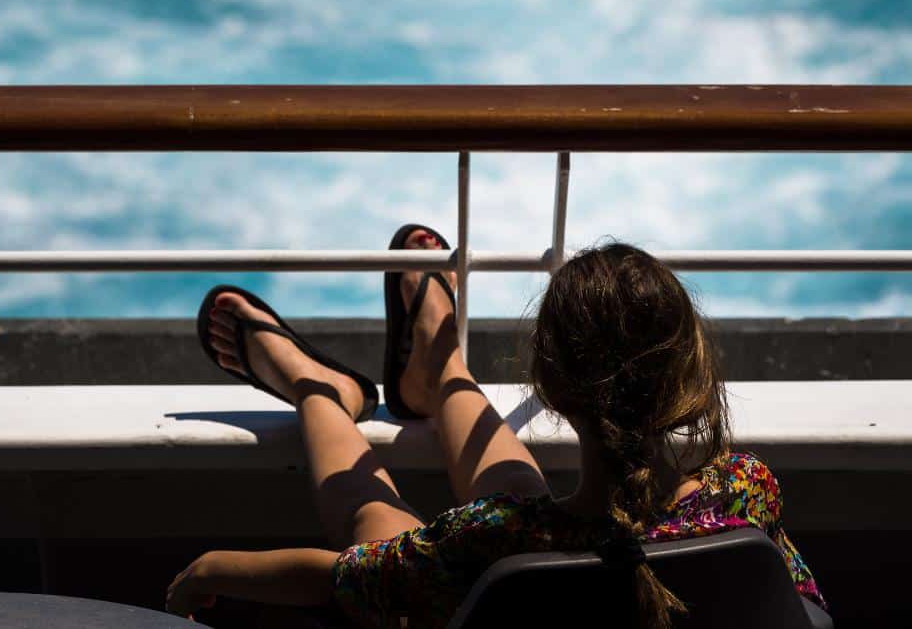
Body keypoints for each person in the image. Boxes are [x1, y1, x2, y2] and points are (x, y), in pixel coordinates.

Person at [166, 228, 826, 628]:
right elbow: (800, 598)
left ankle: (319, 389)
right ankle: (435, 364)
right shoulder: (744, 492)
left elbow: (349, 576)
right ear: (695, 371)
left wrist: (210, 568)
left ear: (553, 388)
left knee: (377, 523)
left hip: (493, 549)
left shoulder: (501, 542)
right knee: (515, 492)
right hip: (540, 530)